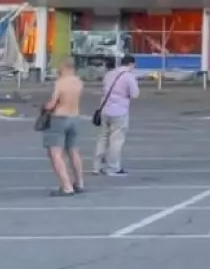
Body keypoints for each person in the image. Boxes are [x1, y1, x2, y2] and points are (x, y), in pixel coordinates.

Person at [42, 58, 86, 196]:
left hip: (59, 117)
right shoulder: (79, 82)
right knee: (73, 150)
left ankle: (67, 186)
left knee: (55, 153)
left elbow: (53, 103)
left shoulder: (60, 83)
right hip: (75, 116)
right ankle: (79, 182)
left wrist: (45, 107)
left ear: (66, 67)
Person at [95, 54, 140, 176]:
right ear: (131, 64)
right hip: (119, 111)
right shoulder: (129, 76)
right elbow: (135, 94)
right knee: (116, 140)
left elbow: (104, 89)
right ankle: (113, 167)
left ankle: (97, 166)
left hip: (104, 109)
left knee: (103, 137)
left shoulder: (110, 74)